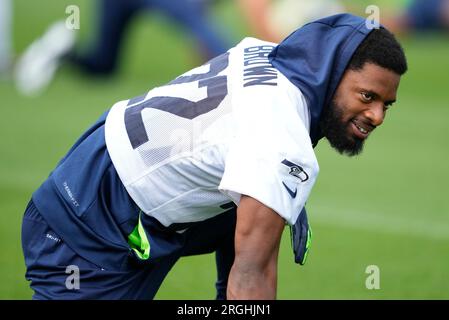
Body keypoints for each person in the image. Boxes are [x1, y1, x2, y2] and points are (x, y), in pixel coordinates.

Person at [21, 13, 407, 299]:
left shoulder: (267, 54)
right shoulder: (280, 140)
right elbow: (252, 276)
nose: (377, 116)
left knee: (259, 200)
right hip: (89, 217)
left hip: (108, 162)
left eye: (387, 104)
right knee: (263, 210)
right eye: (366, 96)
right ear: (333, 74)